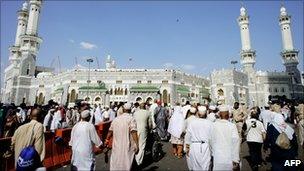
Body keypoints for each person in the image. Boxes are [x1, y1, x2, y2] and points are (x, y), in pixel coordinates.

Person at [106, 103, 139, 171]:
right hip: (127, 145)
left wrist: (107, 139)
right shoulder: (131, 119)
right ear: (130, 110)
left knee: (116, 162)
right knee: (127, 162)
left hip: (117, 145)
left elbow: (110, 131)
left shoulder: (116, 119)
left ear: (123, 109)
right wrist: (137, 144)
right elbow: (133, 132)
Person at [211, 105, 240, 170]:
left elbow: (210, 141)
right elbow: (235, 142)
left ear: (219, 115)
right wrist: (236, 159)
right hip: (229, 156)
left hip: (217, 156)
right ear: (228, 115)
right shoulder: (232, 126)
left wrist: (212, 153)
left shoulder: (214, 125)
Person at [185, 106, 213, 170]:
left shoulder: (192, 123)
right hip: (206, 147)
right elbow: (212, 137)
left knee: (195, 166)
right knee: (206, 165)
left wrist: (187, 148)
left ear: (198, 113)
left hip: (194, 146)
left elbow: (188, 137)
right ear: (206, 113)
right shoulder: (210, 123)